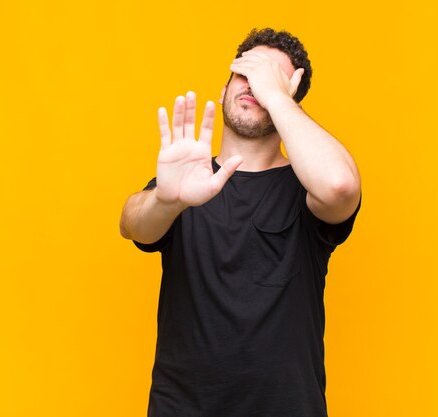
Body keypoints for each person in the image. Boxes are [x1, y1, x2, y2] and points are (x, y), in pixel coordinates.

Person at [119, 28, 361, 417]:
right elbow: (132, 224)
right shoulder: (187, 178)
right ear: (224, 87)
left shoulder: (307, 187)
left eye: (271, 79)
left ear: (290, 99)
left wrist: (278, 99)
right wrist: (166, 200)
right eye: (245, 73)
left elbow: (340, 186)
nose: (254, 86)